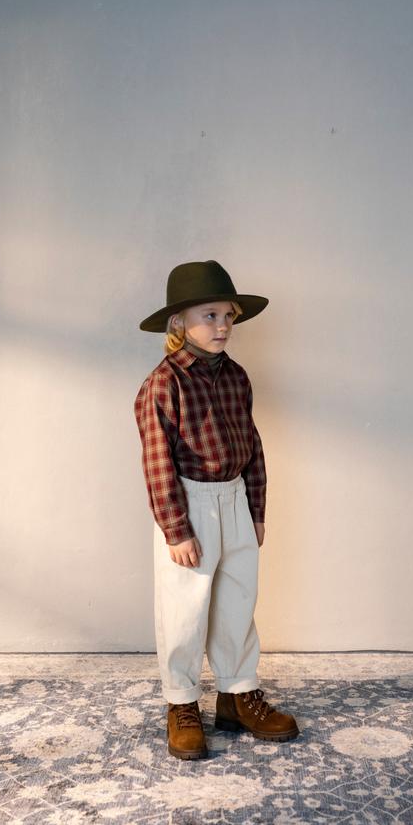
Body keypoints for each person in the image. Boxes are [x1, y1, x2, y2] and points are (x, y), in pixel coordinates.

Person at [134, 260, 299, 760]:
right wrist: (176, 528)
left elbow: (252, 444)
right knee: (184, 608)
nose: (223, 325)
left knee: (237, 602)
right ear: (179, 322)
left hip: (234, 498)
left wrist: (257, 509)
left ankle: (236, 694)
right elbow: (157, 461)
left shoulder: (237, 377)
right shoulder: (163, 384)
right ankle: (182, 702)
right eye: (210, 315)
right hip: (191, 503)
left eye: (228, 315)